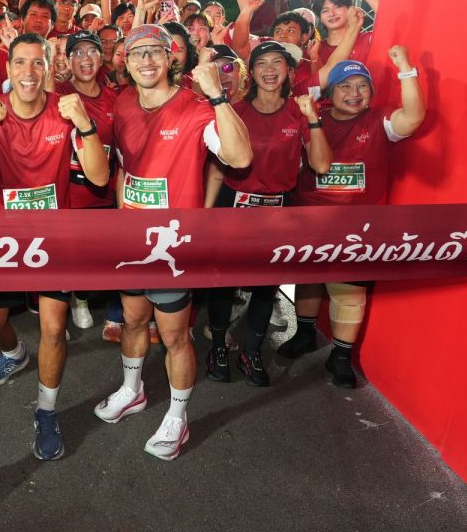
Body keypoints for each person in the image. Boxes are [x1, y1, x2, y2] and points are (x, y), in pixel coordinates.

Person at [99, 24, 252, 460]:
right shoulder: (123, 102)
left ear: (171, 59)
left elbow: (240, 157)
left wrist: (218, 96)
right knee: (132, 321)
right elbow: (123, 166)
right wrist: (120, 221)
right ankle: (132, 390)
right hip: (132, 239)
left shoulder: (197, 108)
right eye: (137, 53)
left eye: (155, 51)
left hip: (172, 246)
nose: (146, 60)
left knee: (173, 335)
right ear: (126, 62)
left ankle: (178, 417)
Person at [0, 33, 109, 461]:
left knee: (53, 327)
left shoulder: (65, 109)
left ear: (48, 68)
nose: (28, 72)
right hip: (4, 237)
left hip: (52, 236)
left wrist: (85, 124)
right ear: (8, 68)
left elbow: (100, 178)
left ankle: (46, 411)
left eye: (37, 63)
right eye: (20, 62)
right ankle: (15, 354)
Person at [281, 48, 425, 387]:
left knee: (349, 292)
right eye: (345, 86)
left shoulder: (379, 121)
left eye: (362, 86)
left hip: (359, 227)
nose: (354, 93)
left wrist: (406, 70)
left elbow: (413, 117)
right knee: (309, 279)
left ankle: (341, 357)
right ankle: (304, 334)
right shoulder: (312, 119)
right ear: (331, 93)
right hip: (312, 219)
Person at [202, 41, 332, 386]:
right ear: (252, 71)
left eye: (278, 63)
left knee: (265, 285)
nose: (270, 70)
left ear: (289, 71)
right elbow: (217, 168)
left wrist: (313, 119)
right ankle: (218, 348)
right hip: (234, 204)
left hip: (278, 209)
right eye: (262, 63)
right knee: (223, 282)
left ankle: (252, 351)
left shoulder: (298, 112)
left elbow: (321, 165)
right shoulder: (235, 110)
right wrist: (207, 213)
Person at [55, 31, 120, 332]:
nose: (85, 59)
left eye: (91, 51)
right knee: (65, 254)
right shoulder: (58, 92)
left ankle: (81, 297)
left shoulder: (113, 99)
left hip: (100, 191)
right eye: (77, 53)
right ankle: (68, 303)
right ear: (68, 60)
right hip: (67, 192)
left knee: (92, 255)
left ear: (101, 57)